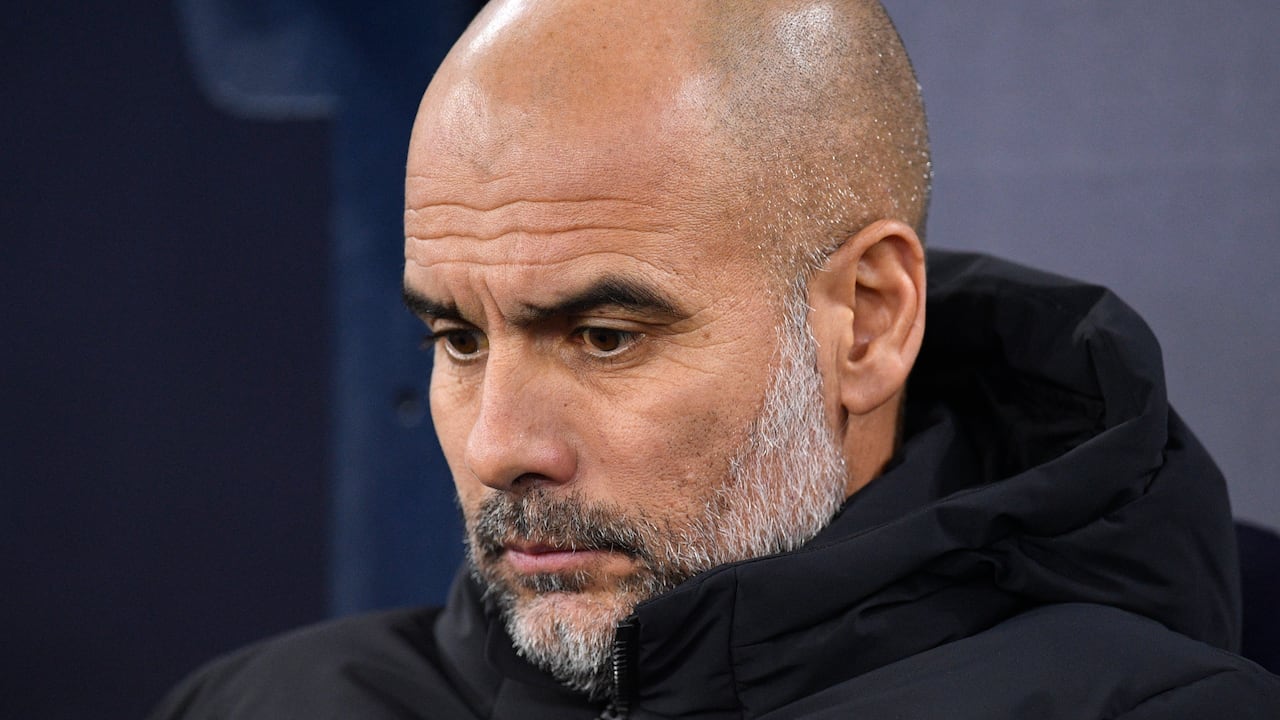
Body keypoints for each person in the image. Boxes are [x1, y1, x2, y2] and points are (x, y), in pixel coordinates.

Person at [150, 1, 1280, 717]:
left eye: (603, 337)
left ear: (866, 323)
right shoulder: (259, 703)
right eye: (457, 336)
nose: (498, 447)